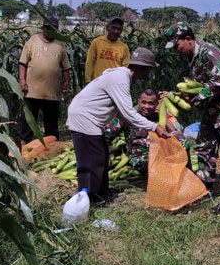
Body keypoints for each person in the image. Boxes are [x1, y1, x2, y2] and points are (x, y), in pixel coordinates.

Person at [164, 22, 220, 213]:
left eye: (176, 45)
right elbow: (196, 84)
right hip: (211, 110)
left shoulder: (209, 53)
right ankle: (205, 189)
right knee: (204, 147)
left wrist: (195, 99)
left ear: (188, 39)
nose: (176, 51)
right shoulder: (191, 58)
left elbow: (218, 84)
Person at [67, 48, 169, 204]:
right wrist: (154, 127)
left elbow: (122, 113)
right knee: (92, 161)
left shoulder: (121, 77)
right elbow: (128, 113)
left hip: (91, 120)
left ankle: (102, 195)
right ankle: (91, 201)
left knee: (101, 157)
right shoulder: (121, 78)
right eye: (147, 70)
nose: (147, 75)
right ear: (140, 68)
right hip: (84, 119)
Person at [104, 88, 187, 174]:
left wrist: (162, 115)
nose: (146, 107)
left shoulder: (158, 114)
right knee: (157, 164)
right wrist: (105, 155)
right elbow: (107, 135)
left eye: (151, 103)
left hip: (161, 153)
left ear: (156, 103)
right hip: (140, 158)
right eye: (144, 102)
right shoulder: (129, 116)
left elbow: (175, 133)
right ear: (138, 101)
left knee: (183, 143)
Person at [18, 17, 71, 143]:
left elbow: (66, 66)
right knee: (29, 117)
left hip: (52, 91)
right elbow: (22, 63)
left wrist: (67, 81)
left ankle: (51, 142)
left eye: (53, 29)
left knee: (51, 120)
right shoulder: (32, 41)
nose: (50, 31)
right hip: (32, 90)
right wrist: (22, 80)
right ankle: (26, 141)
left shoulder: (60, 44)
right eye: (48, 28)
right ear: (43, 28)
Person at [85, 16, 130, 84]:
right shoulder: (97, 42)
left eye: (119, 29)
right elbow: (90, 62)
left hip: (114, 85)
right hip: (97, 82)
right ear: (107, 28)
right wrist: (88, 80)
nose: (116, 31)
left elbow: (124, 69)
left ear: (121, 31)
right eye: (113, 28)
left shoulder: (124, 47)